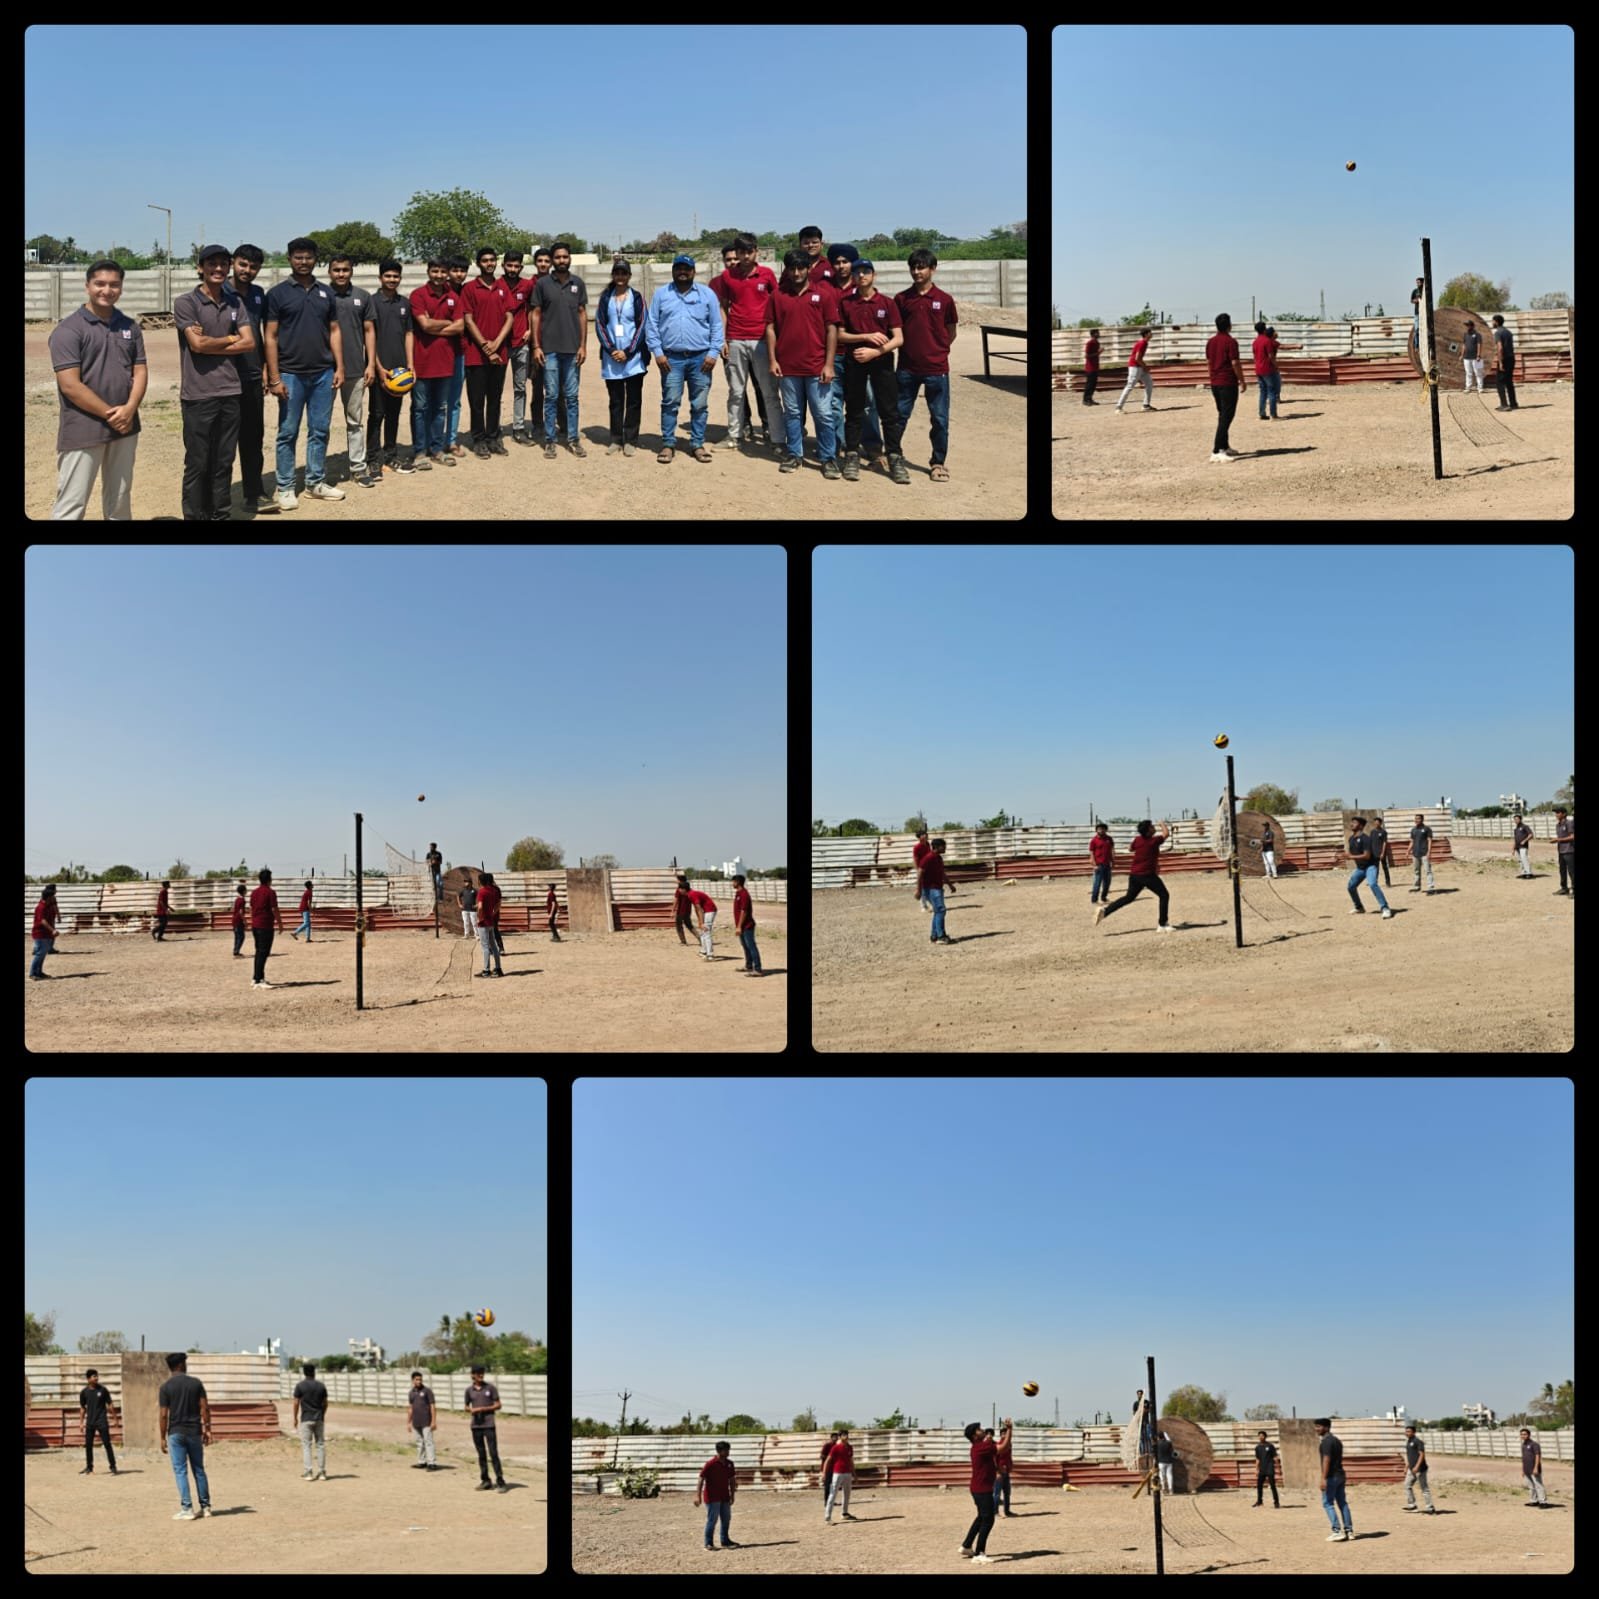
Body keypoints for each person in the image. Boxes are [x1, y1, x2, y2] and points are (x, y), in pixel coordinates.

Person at [48, 259, 148, 520]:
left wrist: (129, 410)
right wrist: (112, 414)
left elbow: (140, 371)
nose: (107, 290)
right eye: (100, 284)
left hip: (126, 427)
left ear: (121, 288)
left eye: (114, 284)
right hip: (84, 428)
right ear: (87, 286)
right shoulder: (68, 330)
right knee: (71, 505)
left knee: (119, 502)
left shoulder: (130, 326)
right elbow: (70, 385)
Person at [264, 237, 345, 510]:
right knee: (287, 432)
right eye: (298, 257)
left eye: (308, 257)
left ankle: (315, 482)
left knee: (320, 430)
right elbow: (271, 336)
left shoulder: (326, 293)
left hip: (323, 372)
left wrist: (339, 367)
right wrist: (274, 377)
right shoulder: (277, 295)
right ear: (289, 259)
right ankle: (286, 487)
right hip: (291, 374)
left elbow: (334, 331)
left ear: (315, 259)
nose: (303, 261)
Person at [174, 246, 251, 520]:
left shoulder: (235, 303)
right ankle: (195, 515)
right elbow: (196, 345)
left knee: (224, 460)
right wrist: (231, 339)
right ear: (200, 268)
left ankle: (220, 514)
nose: (218, 269)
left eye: (222, 264)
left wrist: (213, 343)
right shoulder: (186, 302)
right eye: (212, 264)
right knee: (197, 461)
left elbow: (249, 341)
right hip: (198, 394)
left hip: (230, 391)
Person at [766, 249, 841, 477]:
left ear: (809, 269)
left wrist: (829, 364)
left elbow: (832, 329)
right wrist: (772, 359)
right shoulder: (778, 296)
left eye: (801, 268)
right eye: (792, 268)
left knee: (823, 413)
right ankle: (795, 454)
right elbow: (770, 328)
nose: (796, 272)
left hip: (817, 366)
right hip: (788, 367)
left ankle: (828, 458)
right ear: (786, 270)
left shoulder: (824, 295)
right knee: (793, 413)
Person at [836, 260, 909, 484]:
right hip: (854, 362)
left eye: (866, 272)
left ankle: (895, 457)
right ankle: (852, 456)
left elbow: (898, 338)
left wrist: (876, 352)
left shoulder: (887, 303)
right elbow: (840, 335)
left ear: (874, 275)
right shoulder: (846, 302)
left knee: (889, 412)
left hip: (882, 363)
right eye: (857, 272)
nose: (862, 276)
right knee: (855, 411)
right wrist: (865, 337)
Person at [646, 254, 723, 465]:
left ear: (693, 271)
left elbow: (717, 326)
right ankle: (668, 444)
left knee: (699, 404)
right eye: (678, 268)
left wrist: (713, 353)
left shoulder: (707, 295)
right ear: (672, 270)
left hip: (701, 359)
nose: (682, 272)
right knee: (670, 402)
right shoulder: (662, 295)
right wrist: (658, 353)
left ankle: (697, 444)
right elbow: (651, 325)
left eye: (686, 268)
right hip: (671, 359)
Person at [894, 249, 959, 482]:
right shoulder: (902, 299)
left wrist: (938, 351)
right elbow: (896, 330)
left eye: (921, 267)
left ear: (933, 269)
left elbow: (951, 331)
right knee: (899, 414)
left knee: (939, 418)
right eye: (913, 267)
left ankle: (938, 462)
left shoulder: (944, 300)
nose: (916, 271)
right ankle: (893, 454)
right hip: (906, 369)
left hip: (936, 370)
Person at [710, 235, 777, 447]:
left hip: (761, 341)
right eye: (741, 252)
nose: (745, 256)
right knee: (736, 392)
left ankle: (776, 437)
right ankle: (735, 435)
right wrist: (724, 339)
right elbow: (723, 306)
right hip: (736, 339)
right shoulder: (727, 277)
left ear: (756, 251)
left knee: (769, 392)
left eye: (749, 251)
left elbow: (776, 305)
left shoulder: (766, 275)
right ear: (737, 253)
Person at [533, 242, 588, 459]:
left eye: (565, 257)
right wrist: (537, 346)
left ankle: (573, 439)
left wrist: (583, 345)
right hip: (550, 350)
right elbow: (536, 314)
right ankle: (550, 440)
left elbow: (582, 313)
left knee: (572, 397)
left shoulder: (578, 283)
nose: (561, 261)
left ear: (570, 258)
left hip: (573, 350)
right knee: (552, 396)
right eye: (558, 257)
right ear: (553, 260)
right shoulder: (543, 284)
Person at [827, 243, 882, 460]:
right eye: (837, 262)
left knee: (867, 403)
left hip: (860, 356)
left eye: (845, 261)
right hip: (834, 355)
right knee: (834, 404)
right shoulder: (824, 287)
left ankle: (872, 445)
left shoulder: (862, 287)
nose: (841, 266)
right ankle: (839, 444)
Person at [326, 254, 377, 488]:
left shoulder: (363, 297)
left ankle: (358, 467)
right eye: (336, 270)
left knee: (355, 421)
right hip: (326, 370)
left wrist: (371, 363)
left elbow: (369, 331)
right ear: (329, 272)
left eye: (345, 270)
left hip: (356, 369)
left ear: (351, 271)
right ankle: (318, 471)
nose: (341, 274)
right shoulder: (321, 296)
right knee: (321, 423)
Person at [228, 245, 272, 511]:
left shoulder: (258, 294)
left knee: (253, 439)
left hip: (253, 375)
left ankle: (254, 494)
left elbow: (262, 333)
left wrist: (265, 368)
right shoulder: (221, 292)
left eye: (253, 266)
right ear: (234, 263)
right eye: (243, 264)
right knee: (222, 442)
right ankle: (217, 498)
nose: (247, 271)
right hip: (224, 377)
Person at [409, 261, 464, 469]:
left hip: (445, 362)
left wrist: (435, 325)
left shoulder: (453, 297)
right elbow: (424, 324)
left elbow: (460, 327)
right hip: (422, 362)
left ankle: (437, 448)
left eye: (443, 271)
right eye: (435, 271)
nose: (439, 275)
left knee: (440, 408)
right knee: (420, 408)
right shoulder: (418, 295)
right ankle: (420, 451)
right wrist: (447, 323)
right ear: (428, 272)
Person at [367, 259, 417, 475]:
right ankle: (373, 459)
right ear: (380, 278)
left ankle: (391, 455)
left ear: (400, 278)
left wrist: (410, 364)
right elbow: (368, 336)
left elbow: (408, 334)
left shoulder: (404, 303)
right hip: (380, 368)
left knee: (394, 414)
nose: (392, 280)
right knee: (377, 413)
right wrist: (377, 366)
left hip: (399, 371)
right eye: (387, 276)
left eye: (395, 276)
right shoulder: (371, 302)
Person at [461, 246, 512, 459]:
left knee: (495, 397)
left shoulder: (502, 286)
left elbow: (509, 316)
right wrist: (485, 345)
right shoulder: (469, 288)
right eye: (485, 260)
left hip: (499, 354)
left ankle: (493, 437)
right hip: (476, 354)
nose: (489, 263)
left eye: (492, 260)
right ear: (478, 263)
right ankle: (479, 439)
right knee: (476, 399)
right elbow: (468, 319)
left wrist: (497, 342)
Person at [596, 258, 647, 456]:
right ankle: (616, 439)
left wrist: (628, 351)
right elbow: (599, 325)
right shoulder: (605, 298)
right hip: (612, 358)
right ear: (613, 275)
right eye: (617, 273)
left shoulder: (636, 297)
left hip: (633, 358)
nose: (620, 276)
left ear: (629, 276)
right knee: (615, 400)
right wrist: (611, 350)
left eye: (624, 273)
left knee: (634, 399)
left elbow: (642, 325)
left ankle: (631, 440)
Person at [159, 1351, 212, 1521]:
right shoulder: (196, 1383)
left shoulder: (166, 1387)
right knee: (199, 1469)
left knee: (180, 1470)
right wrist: (208, 1429)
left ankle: (187, 1508)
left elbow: (163, 1415)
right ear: (181, 1365)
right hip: (194, 1431)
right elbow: (205, 1408)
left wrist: (162, 1437)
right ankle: (206, 1507)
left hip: (176, 1432)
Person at [1095, 820, 1175, 932]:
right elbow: (1166, 833)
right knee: (1164, 895)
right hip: (1147, 875)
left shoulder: (1138, 840)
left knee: (1128, 897)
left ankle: (1105, 911)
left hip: (1134, 875)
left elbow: (1130, 848)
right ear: (1148, 831)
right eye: (1151, 827)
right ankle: (1162, 924)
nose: (1153, 828)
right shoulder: (1154, 841)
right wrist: (1162, 823)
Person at [498, 249, 537, 444]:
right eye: (509, 265)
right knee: (495, 389)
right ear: (503, 265)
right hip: (501, 345)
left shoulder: (527, 285)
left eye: (516, 266)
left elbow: (531, 308)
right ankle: (493, 427)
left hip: (521, 343)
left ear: (521, 267)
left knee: (520, 387)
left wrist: (530, 330)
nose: (512, 269)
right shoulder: (496, 286)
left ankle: (518, 427)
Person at [1206, 312, 1247, 462]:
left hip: (1215, 382)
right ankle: (1217, 450)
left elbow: (1209, 362)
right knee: (1227, 416)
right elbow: (1235, 363)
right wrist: (1242, 380)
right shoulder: (1231, 342)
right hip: (1227, 382)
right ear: (1229, 325)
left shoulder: (1211, 342)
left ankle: (1224, 445)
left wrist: (1212, 377)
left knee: (1222, 414)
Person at [465, 1364, 508, 1492]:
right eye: (478, 1373)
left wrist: (484, 1409)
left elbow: (498, 1405)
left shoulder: (491, 1388)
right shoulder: (469, 1390)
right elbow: (466, 1406)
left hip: (489, 1425)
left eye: (482, 1373)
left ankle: (500, 1481)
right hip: (476, 1426)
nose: (481, 1375)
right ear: (472, 1375)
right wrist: (471, 1410)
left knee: (493, 1453)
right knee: (481, 1454)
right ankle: (485, 1480)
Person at [961, 1420, 999, 1563]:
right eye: (978, 1429)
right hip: (982, 1489)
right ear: (974, 1436)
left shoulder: (980, 1446)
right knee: (988, 1519)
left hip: (979, 1488)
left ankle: (966, 1545)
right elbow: (1002, 1448)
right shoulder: (979, 1447)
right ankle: (979, 1554)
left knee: (981, 1517)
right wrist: (1010, 1431)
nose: (982, 1430)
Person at [444, 256, 470, 457]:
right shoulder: (441, 291)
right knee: (436, 401)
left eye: (463, 270)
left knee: (454, 400)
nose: (459, 274)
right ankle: (432, 440)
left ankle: (451, 440)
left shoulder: (467, 291)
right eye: (455, 270)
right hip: (441, 352)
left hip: (462, 352)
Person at [1346, 816, 1393, 918]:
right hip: (1360, 868)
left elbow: (1366, 856)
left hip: (1370, 866)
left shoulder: (1365, 839)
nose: (1352, 824)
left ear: (1361, 826)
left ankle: (1385, 908)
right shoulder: (1351, 839)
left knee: (1372, 884)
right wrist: (1342, 856)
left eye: (1355, 822)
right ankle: (1359, 907)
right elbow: (1352, 853)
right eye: (1352, 822)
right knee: (1351, 887)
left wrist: (1350, 857)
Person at [1315, 1417, 1353, 1541]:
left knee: (1327, 1503)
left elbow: (1326, 1459)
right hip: (1341, 1475)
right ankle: (1349, 1531)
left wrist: (1323, 1478)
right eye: (1316, 1426)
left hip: (1331, 1477)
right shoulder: (1337, 1441)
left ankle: (1336, 1531)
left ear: (1326, 1427)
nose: (1316, 1429)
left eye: (1319, 1427)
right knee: (1342, 1503)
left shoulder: (1326, 1442)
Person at [696, 1439, 739, 1549]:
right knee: (712, 1520)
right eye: (726, 1450)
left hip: (724, 1496)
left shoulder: (730, 1464)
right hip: (712, 1497)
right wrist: (698, 1496)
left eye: (728, 1450)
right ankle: (708, 1543)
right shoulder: (710, 1464)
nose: (728, 1452)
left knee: (726, 1519)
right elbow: (701, 1479)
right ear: (719, 1451)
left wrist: (732, 1495)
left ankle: (725, 1540)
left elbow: (732, 1480)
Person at [292, 1361, 330, 1482]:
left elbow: (296, 1403)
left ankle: (308, 1472)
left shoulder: (300, 1386)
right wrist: (322, 1414)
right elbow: (325, 1403)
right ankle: (322, 1472)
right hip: (319, 1418)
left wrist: (295, 1418)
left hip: (306, 1419)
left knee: (307, 1446)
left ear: (304, 1372)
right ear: (314, 1372)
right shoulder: (321, 1386)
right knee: (320, 1445)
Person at [79, 1368, 119, 1475]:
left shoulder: (103, 1390)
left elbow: (110, 1404)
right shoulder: (84, 1392)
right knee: (88, 1445)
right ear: (88, 1379)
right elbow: (83, 1408)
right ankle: (89, 1467)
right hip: (90, 1423)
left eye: (97, 1376)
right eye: (93, 1376)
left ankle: (113, 1466)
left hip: (102, 1421)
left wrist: (115, 1419)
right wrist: (81, 1423)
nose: (96, 1378)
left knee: (107, 1444)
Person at [250, 867, 285, 989]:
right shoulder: (270, 892)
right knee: (263, 952)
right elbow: (274, 909)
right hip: (265, 926)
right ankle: (259, 980)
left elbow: (252, 908)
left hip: (255, 925)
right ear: (269, 879)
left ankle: (257, 977)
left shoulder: (254, 892)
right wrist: (280, 923)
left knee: (259, 952)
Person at [919, 836, 955, 946]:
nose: (945, 848)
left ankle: (934, 936)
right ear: (936, 847)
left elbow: (942, 873)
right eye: (943, 846)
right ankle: (941, 936)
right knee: (941, 910)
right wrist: (918, 889)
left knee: (938, 911)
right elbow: (920, 873)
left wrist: (950, 884)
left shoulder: (938, 858)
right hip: (931, 889)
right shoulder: (928, 858)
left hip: (937, 888)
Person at [1115, 326, 1155, 413]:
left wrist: (1144, 367)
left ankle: (1146, 405)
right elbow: (1137, 358)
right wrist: (1145, 367)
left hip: (1139, 366)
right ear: (1146, 334)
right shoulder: (1142, 343)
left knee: (1149, 383)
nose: (1152, 334)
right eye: (1150, 332)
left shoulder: (1144, 343)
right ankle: (1119, 407)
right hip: (1135, 367)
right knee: (1130, 386)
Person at [824, 1426, 856, 1523]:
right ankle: (827, 1517)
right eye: (843, 1435)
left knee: (847, 1494)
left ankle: (844, 1513)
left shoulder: (850, 1447)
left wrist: (854, 1473)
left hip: (847, 1473)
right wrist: (824, 1473)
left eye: (847, 1435)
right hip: (838, 1473)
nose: (846, 1437)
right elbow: (828, 1460)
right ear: (840, 1436)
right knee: (833, 1494)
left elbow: (851, 1461)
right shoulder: (836, 1448)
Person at [732, 874, 763, 975]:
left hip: (747, 926)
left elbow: (744, 911)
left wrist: (739, 926)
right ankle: (749, 965)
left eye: (733, 882)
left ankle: (758, 969)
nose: (732, 884)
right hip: (741, 925)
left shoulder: (744, 894)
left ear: (737, 882)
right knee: (745, 946)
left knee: (751, 946)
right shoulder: (738, 893)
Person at [408, 1371, 439, 1471]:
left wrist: (433, 1421)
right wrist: (408, 1422)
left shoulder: (427, 1391)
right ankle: (422, 1461)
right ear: (413, 1380)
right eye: (417, 1379)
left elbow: (433, 1406)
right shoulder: (411, 1393)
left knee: (428, 1441)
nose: (419, 1381)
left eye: (420, 1379)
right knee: (419, 1442)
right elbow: (410, 1408)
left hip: (426, 1421)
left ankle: (432, 1463)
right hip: (416, 1422)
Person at [1401, 1424, 1435, 1514]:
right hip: (1411, 1469)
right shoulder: (1408, 1442)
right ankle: (1412, 1505)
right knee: (1407, 1485)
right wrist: (1406, 1467)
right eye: (1406, 1431)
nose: (1406, 1433)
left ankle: (1430, 1507)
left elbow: (1422, 1455)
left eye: (1409, 1431)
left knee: (1424, 1488)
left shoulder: (1418, 1442)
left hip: (1420, 1469)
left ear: (1414, 1432)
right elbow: (1410, 1457)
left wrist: (1417, 1466)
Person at [475, 871, 504, 978]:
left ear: (481, 881)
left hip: (483, 923)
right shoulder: (493, 890)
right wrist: (492, 913)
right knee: (494, 946)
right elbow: (498, 904)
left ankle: (486, 970)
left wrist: (480, 918)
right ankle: (498, 968)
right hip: (491, 921)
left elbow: (481, 907)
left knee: (485, 947)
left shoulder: (481, 891)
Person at [1252, 321, 1281, 421]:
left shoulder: (1255, 342)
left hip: (1258, 369)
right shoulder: (1267, 341)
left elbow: (1255, 356)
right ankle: (1273, 414)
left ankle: (1262, 413)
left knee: (1263, 392)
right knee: (1272, 391)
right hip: (1268, 369)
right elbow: (1271, 356)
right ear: (1264, 329)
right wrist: (1276, 365)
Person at [29, 884, 59, 981]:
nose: (53, 899)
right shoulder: (41, 907)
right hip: (40, 933)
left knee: (42, 953)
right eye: (52, 897)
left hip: (45, 934)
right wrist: (53, 930)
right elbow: (43, 921)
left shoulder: (47, 905)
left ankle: (39, 972)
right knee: (39, 953)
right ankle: (33, 973)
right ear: (48, 897)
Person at [1490, 314, 1519, 411]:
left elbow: (1500, 347)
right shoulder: (1508, 332)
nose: (1492, 323)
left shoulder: (1498, 333)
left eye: (1493, 321)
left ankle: (1504, 404)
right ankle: (1513, 403)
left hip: (1504, 359)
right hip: (1511, 358)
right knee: (1509, 382)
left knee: (1500, 383)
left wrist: (1500, 362)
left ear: (1496, 322)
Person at [687, 884, 718, 961]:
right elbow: (697, 909)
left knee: (706, 931)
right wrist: (700, 921)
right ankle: (704, 951)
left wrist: (701, 922)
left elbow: (699, 909)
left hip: (709, 910)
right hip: (706, 911)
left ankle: (710, 955)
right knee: (702, 932)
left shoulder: (692, 894)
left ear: (683, 889)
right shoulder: (690, 894)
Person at [799, 224, 836, 288]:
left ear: (821, 244)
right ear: (800, 245)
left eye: (814, 242)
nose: (810, 245)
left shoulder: (830, 265)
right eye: (806, 243)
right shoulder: (793, 267)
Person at [1408, 812, 1437, 894]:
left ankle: (1431, 888)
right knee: (1416, 871)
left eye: (1418, 818)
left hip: (1424, 853)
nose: (1416, 820)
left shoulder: (1427, 829)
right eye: (1415, 819)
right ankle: (1417, 886)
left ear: (1422, 819)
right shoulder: (1413, 830)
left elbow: (1430, 840)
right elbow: (1412, 841)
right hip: (1415, 853)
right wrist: (1408, 851)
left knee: (1428, 871)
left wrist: (1429, 852)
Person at [1520, 1427, 1548, 1506]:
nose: (1523, 1436)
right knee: (1531, 1486)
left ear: (1529, 1435)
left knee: (1538, 1485)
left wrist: (1536, 1467)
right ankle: (1534, 1500)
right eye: (1521, 1434)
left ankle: (1543, 1501)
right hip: (1526, 1469)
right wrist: (1523, 1470)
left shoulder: (1534, 1444)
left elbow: (1537, 1456)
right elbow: (1523, 1458)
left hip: (1534, 1468)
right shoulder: (1523, 1445)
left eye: (1525, 1434)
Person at [994, 1416, 1015, 1517]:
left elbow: (1009, 1457)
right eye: (1003, 1434)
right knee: (997, 1493)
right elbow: (994, 1460)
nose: (1004, 1435)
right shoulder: (998, 1445)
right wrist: (997, 1471)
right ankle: (995, 1512)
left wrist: (1011, 1466)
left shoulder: (1009, 1445)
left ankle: (1007, 1511)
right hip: (1000, 1471)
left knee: (1007, 1493)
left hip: (1006, 1471)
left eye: (1005, 1433)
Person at [1089, 822, 1115, 904]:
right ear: (1096, 830)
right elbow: (1091, 853)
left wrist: (1113, 861)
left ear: (1106, 830)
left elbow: (1112, 850)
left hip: (1107, 864)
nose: (1101, 830)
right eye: (1099, 829)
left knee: (1107, 883)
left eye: (1103, 829)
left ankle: (1104, 898)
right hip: (1099, 865)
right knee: (1097, 883)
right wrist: (1094, 864)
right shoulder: (1094, 840)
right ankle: (1094, 900)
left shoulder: (1109, 839)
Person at [1253, 1430, 1279, 1507]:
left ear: (1265, 1436)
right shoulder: (1257, 1447)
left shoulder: (1270, 1446)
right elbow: (1258, 1459)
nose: (1261, 1437)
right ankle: (1259, 1501)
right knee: (1259, 1485)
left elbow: (1275, 1456)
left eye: (1262, 1435)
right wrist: (1256, 1469)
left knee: (1272, 1485)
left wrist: (1278, 1467)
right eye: (1259, 1436)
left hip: (1270, 1468)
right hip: (1262, 1469)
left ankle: (1276, 1502)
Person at [913, 827, 934, 913]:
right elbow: (915, 859)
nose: (925, 835)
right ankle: (923, 906)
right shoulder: (917, 847)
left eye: (926, 834)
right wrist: (918, 870)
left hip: (928, 868)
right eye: (923, 834)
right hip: (921, 868)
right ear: (919, 837)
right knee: (922, 887)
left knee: (929, 886)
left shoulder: (928, 844)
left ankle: (932, 904)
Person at [1553, 806, 1574, 895]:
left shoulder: (1569, 823)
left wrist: (1558, 840)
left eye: (1558, 812)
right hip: (1561, 851)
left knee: (1572, 871)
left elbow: (1572, 837)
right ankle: (1564, 888)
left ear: (1564, 814)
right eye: (1556, 813)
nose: (1556, 815)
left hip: (1569, 851)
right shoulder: (1558, 825)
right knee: (1562, 871)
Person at [1462, 319, 1486, 393]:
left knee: (1478, 372)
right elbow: (1464, 345)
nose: (1466, 327)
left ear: (1472, 326)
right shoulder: (1465, 335)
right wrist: (1462, 354)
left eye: (1468, 325)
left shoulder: (1477, 335)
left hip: (1476, 357)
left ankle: (1480, 387)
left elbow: (1479, 345)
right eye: (1466, 325)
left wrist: (1478, 355)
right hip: (1466, 357)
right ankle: (1468, 387)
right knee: (1468, 373)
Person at [1369, 814, 1393, 888]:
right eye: (1375, 823)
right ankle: (1374, 881)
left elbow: (1385, 843)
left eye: (1377, 822)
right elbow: (1370, 842)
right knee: (1375, 868)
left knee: (1385, 868)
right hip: (1374, 853)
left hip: (1382, 853)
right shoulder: (1372, 832)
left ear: (1380, 823)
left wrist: (1382, 853)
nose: (1376, 824)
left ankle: (1388, 882)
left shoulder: (1383, 832)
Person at [673, 874, 697, 945]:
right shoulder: (689, 889)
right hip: (688, 911)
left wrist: (673, 910)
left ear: (680, 880)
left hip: (680, 911)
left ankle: (683, 941)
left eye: (677, 879)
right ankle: (700, 939)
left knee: (678, 926)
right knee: (690, 926)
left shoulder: (679, 889)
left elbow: (676, 900)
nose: (676, 881)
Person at [820, 1430, 840, 1505]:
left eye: (836, 1437)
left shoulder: (836, 1446)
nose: (835, 1438)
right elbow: (821, 1456)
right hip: (827, 1468)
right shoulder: (827, 1445)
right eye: (834, 1437)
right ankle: (826, 1501)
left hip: (834, 1468)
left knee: (833, 1485)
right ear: (831, 1438)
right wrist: (829, 1457)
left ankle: (831, 1500)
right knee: (827, 1485)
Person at [1082, 327, 1101, 405]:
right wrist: (1098, 353)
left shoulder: (1097, 342)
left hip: (1095, 367)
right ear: (1093, 334)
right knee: (1089, 384)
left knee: (1093, 384)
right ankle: (1085, 400)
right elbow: (1086, 356)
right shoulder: (1090, 343)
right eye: (1097, 332)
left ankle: (1090, 399)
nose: (1099, 334)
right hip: (1090, 367)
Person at [1156, 1429, 1177, 1494]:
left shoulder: (1157, 1444)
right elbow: (1172, 1450)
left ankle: (1163, 1489)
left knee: (1162, 1476)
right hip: (1169, 1461)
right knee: (1169, 1475)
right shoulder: (1168, 1443)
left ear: (1158, 1437)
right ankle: (1171, 1489)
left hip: (1161, 1462)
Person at [231, 881, 248, 959]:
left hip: (234, 919)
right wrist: (245, 921)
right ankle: (236, 952)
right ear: (244, 891)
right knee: (241, 937)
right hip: (239, 920)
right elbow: (241, 912)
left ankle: (236, 951)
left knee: (237, 936)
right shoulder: (242, 900)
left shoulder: (237, 899)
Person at [460, 874, 479, 940]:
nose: (465, 883)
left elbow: (480, 898)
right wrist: (459, 904)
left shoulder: (475, 890)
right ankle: (466, 934)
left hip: (473, 909)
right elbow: (458, 896)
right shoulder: (463, 890)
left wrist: (477, 905)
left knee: (474, 923)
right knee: (466, 922)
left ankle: (476, 935)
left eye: (467, 881)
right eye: (465, 882)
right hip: (464, 909)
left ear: (470, 882)